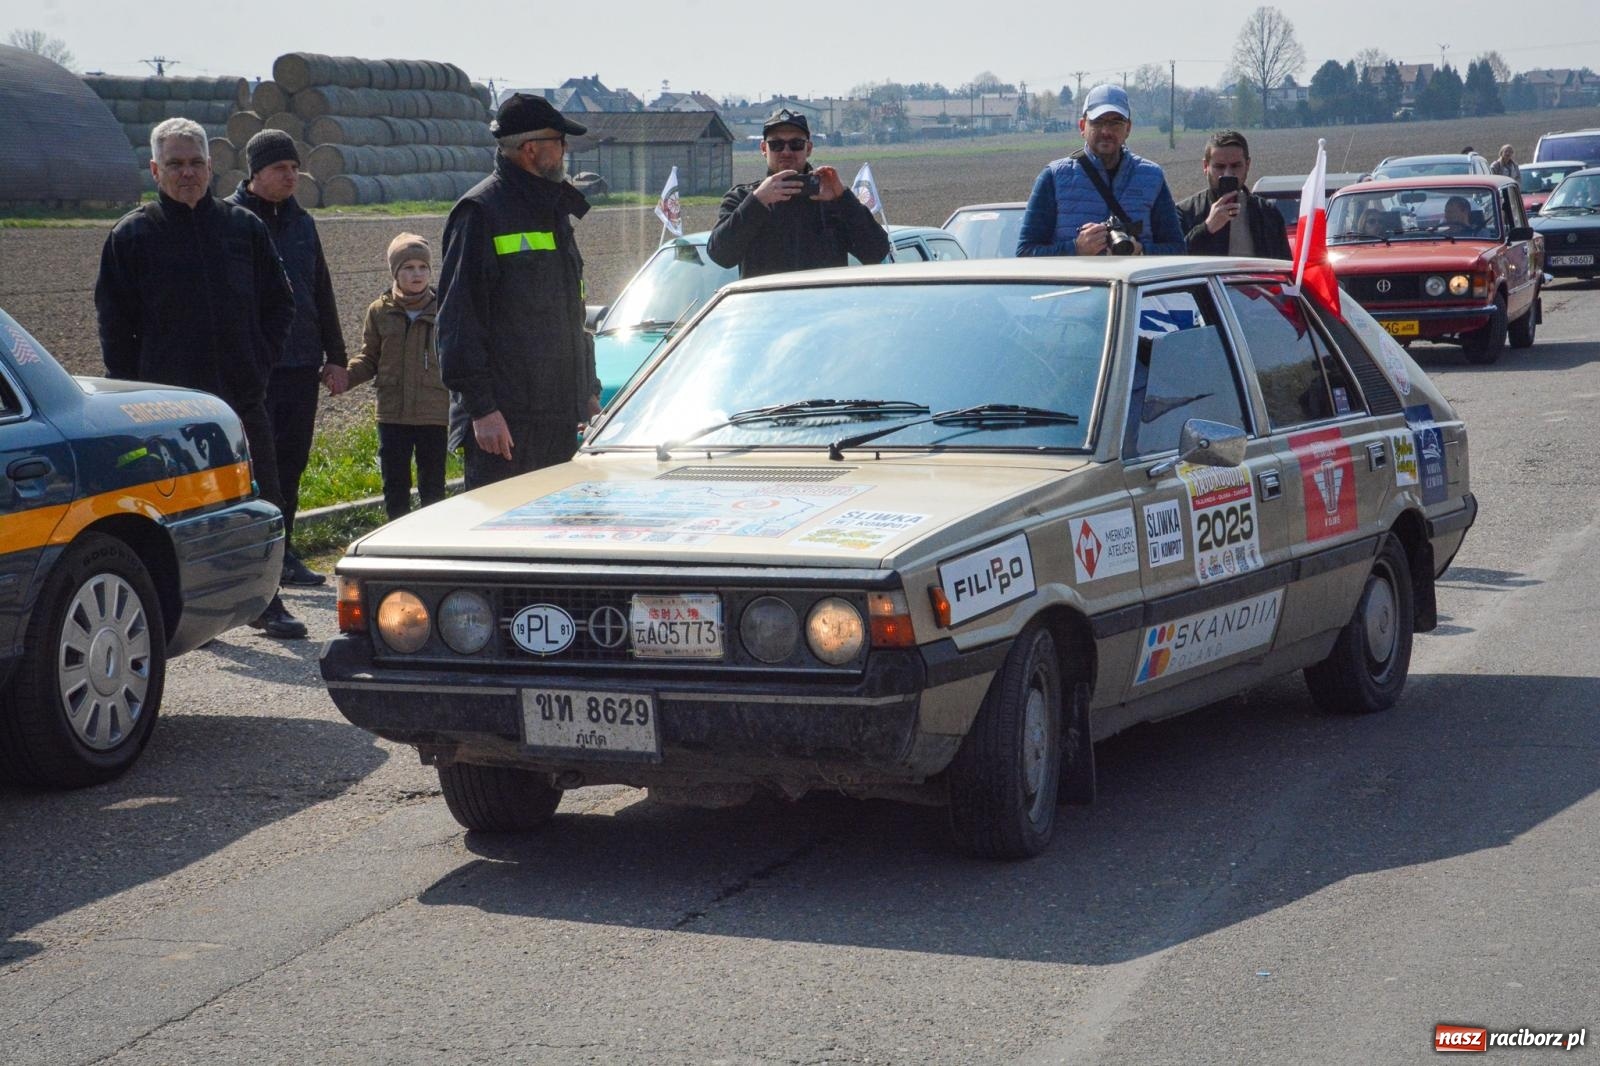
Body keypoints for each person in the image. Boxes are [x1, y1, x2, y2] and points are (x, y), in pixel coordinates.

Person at [94, 117, 307, 639]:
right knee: (175, 515)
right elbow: (114, 328)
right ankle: (185, 613)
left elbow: (280, 304)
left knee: (263, 500)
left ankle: (266, 600)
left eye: (195, 163)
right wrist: (134, 397)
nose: (186, 173)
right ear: (154, 170)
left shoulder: (243, 229)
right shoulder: (132, 235)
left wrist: (258, 361)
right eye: (175, 164)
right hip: (165, 412)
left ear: (211, 167)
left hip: (240, 400)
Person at [437, 93, 601, 489]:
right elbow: (459, 323)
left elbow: (570, 315)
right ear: (530, 149)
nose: (565, 151)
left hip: (557, 419)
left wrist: (586, 391)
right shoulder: (481, 213)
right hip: (506, 426)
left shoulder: (552, 208)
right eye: (559, 142)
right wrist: (482, 410)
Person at [226, 130, 349, 587]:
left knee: (292, 462)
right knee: (257, 466)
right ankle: (251, 558)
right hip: (252, 369)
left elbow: (321, 289)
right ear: (255, 172)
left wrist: (335, 356)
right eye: (281, 168)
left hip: (300, 363)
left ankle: (285, 552)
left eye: (295, 168)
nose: (291, 176)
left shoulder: (303, 223)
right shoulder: (229, 221)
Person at [706, 108, 889, 277]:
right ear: (763, 149)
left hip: (822, 302)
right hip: (766, 302)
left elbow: (876, 253)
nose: (786, 152)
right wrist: (757, 202)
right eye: (776, 145)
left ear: (808, 149)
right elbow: (721, 256)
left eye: (796, 144)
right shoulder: (742, 199)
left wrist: (842, 199)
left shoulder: (831, 200)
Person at [344, 234, 448, 521]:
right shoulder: (380, 311)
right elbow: (369, 358)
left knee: (433, 487)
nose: (417, 274)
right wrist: (345, 377)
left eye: (423, 267)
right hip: (392, 414)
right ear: (395, 272)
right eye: (408, 268)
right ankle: (396, 536)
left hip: (433, 413)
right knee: (395, 485)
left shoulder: (445, 309)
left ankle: (432, 539)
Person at [1017, 84, 1184, 257]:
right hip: (1076, 276)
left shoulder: (1151, 177)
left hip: (1135, 276)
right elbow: (1025, 252)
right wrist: (1076, 248)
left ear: (1128, 128)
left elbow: (1178, 249)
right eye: (1097, 122)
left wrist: (1141, 252)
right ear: (1082, 126)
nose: (1106, 131)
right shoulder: (1054, 177)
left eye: (1115, 123)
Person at [1175, 130, 1292, 259]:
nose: (1227, 173)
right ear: (1205, 166)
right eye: (1219, 167)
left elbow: (1284, 264)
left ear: (1247, 165)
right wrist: (1206, 228)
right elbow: (1171, 259)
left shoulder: (1268, 214)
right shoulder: (1185, 212)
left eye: (1235, 166)